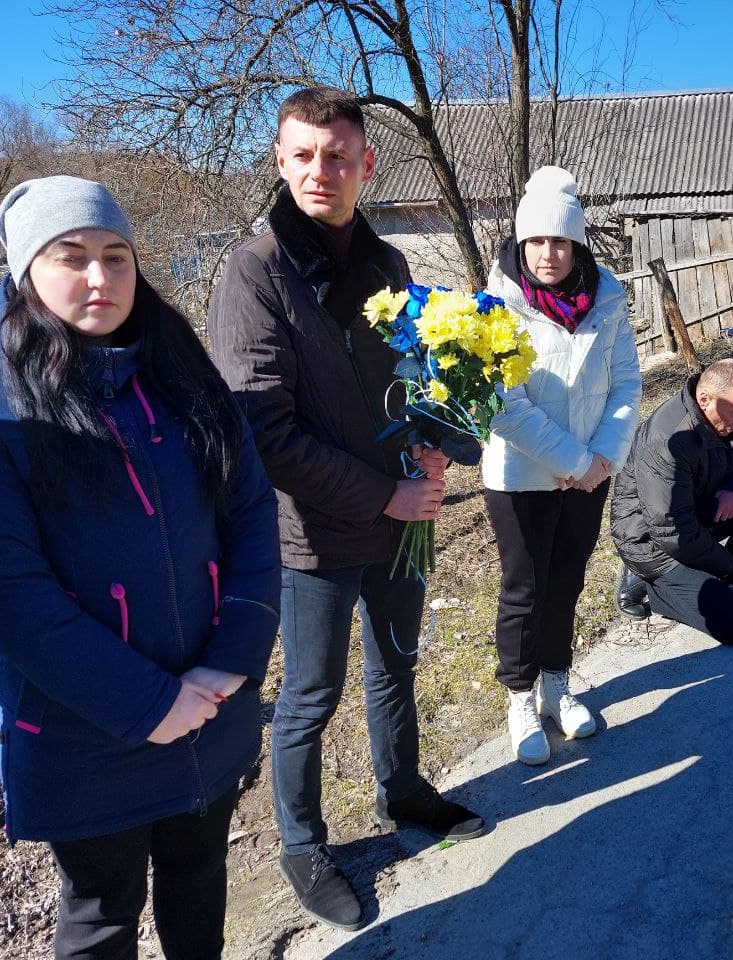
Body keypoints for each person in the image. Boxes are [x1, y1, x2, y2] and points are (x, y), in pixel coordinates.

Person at [0, 176, 281, 960]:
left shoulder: (183, 376)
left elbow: (253, 516)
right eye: (72, 257)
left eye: (117, 255)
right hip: (87, 730)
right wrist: (147, 704)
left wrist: (230, 664)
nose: (100, 278)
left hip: (210, 701)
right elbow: (11, 599)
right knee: (102, 913)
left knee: (201, 882)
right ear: (26, 269)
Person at [207, 87, 483, 932]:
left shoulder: (389, 266)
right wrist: (384, 491)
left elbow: (412, 381)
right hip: (312, 535)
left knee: (396, 664)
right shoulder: (255, 273)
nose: (321, 171)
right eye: (304, 156)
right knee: (312, 694)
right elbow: (263, 431)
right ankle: (302, 843)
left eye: (338, 156)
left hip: (402, 521)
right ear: (281, 162)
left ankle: (402, 789)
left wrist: (433, 442)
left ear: (367, 165)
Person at [482, 166, 642, 766]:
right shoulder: (496, 303)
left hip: (592, 471)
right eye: (537, 242)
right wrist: (575, 459)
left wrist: (602, 456)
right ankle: (519, 697)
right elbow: (502, 402)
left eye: (560, 241)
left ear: (577, 244)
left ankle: (555, 683)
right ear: (521, 244)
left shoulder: (607, 298)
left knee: (567, 580)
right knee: (525, 587)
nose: (548, 254)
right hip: (521, 475)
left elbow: (626, 381)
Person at [611, 359, 733, 646]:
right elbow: (671, 532)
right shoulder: (668, 439)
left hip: (699, 512)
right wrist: (727, 563)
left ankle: (724, 587)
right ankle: (652, 583)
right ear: (705, 399)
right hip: (653, 542)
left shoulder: (731, 417)